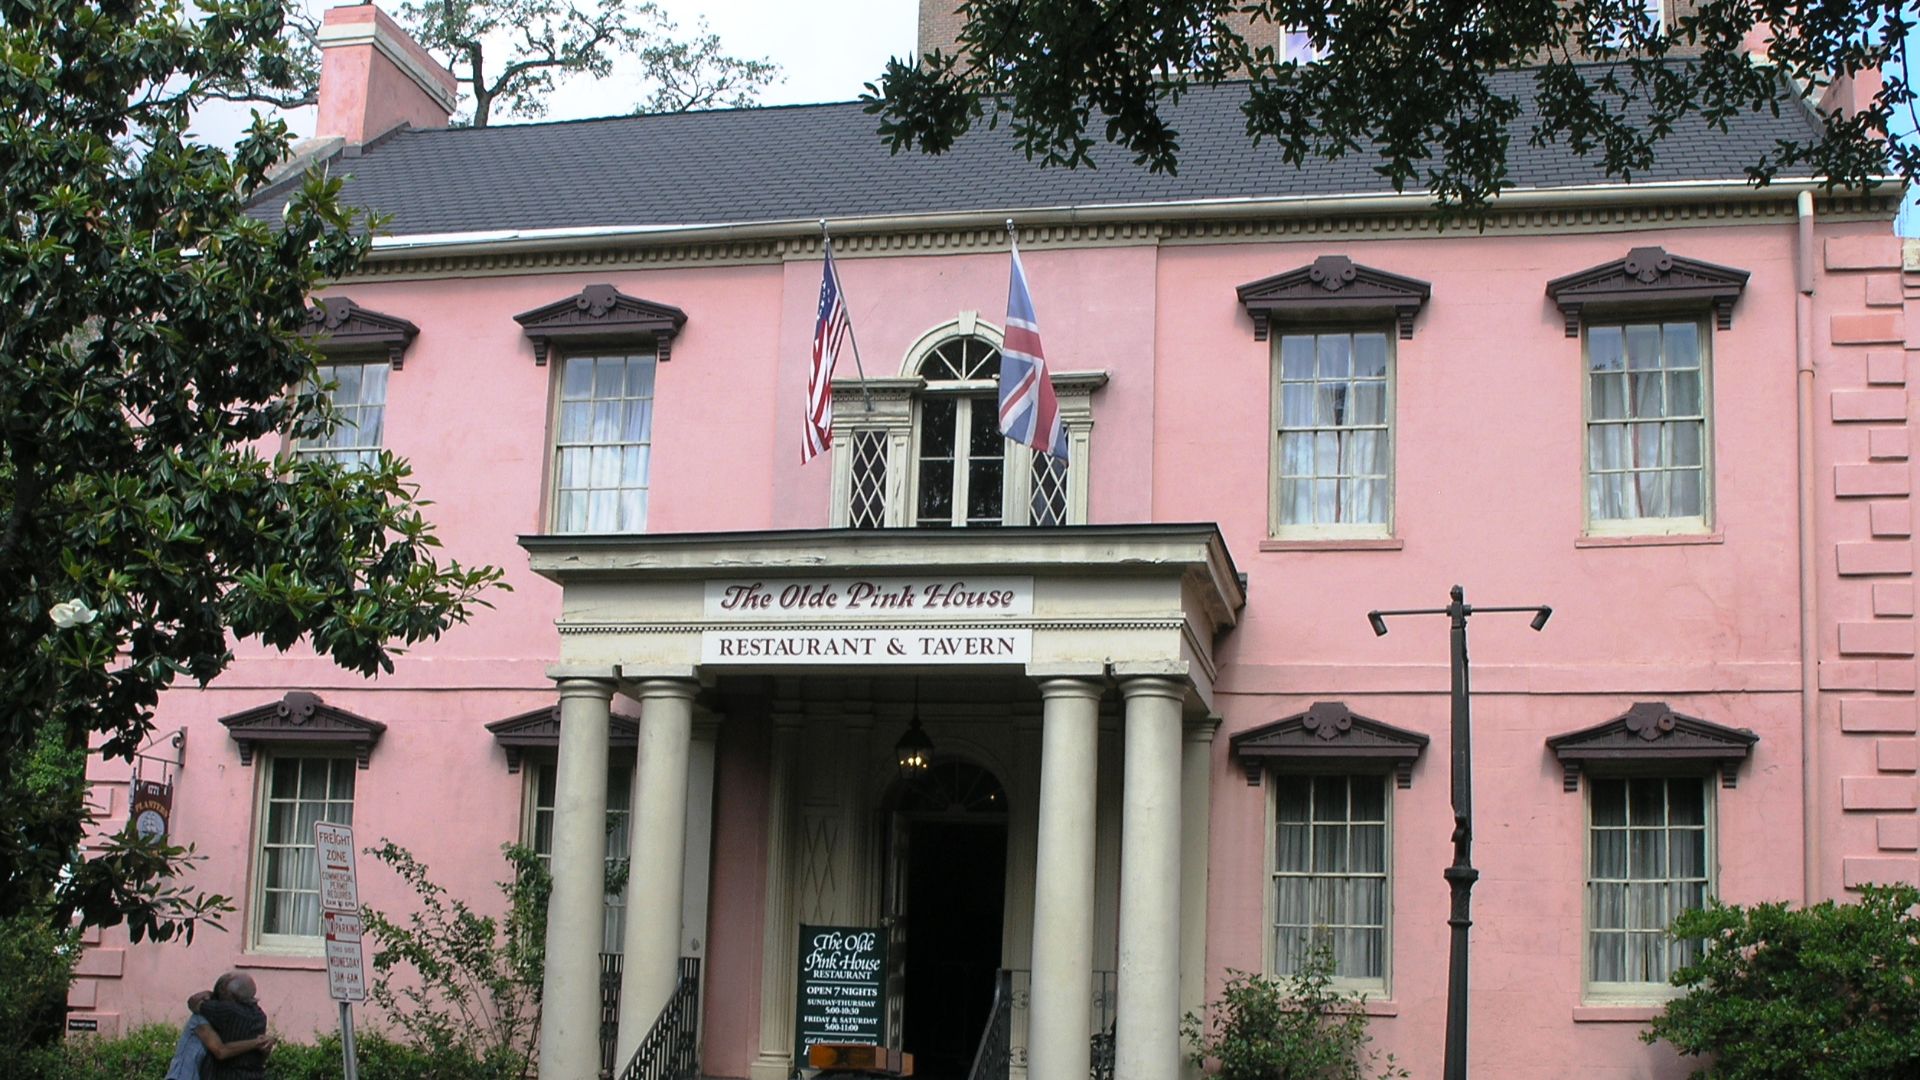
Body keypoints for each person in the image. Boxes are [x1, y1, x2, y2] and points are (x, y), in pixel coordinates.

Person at [195, 972, 273, 1080]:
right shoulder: (260, 1015)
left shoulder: (226, 1010)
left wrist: (210, 994)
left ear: (227, 993)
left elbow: (194, 1002)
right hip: (254, 1075)